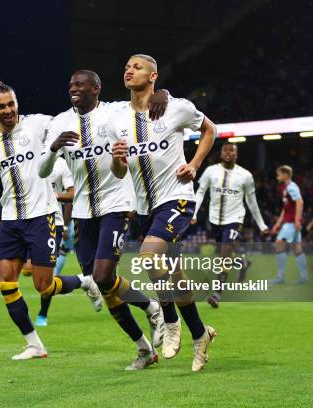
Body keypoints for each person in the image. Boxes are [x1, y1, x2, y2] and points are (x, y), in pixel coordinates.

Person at [0, 81, 100, 361]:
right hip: (10, 220)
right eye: (1, 106)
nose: (8, 110)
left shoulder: (39, 124)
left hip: (42, 216)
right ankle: (34, 344)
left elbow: (72, 121)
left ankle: (85, 282)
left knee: (43, 285)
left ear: (17, 102)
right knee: (6, 282)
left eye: (11, 103)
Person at [40, 70, 168, 370]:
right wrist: (54, 148)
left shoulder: (114, 112)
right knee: (105, 284)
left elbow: (147, 102)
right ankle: (144, 344)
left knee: (100, 277)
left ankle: (151, 312)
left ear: (96, 89)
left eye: (80, 84)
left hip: (117, 204)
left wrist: (163, 95)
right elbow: (43, 172)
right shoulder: (60, 122)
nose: (74, 88)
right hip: (83, 212)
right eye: (71, 84)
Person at [109, 54, 217, 372]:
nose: (129, 70)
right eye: (126, 66)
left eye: (137, 66)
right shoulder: (118, 118)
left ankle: (169, 321)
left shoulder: (176, 107)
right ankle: (200, 334)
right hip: (146, 207)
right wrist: (117, 159)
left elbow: (210, 129)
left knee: (148, 256)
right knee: (176, 276)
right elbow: (118, 173)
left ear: (153, 75)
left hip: (177, 198)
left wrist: (194, 165)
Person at [191, 142, 269, 307]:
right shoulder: (211, 171)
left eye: (231, 150)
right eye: (225, 150)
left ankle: (216, 293)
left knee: (225, 254)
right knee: (223, 254)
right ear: (221, 153)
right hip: (214, 220)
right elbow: (200, 192)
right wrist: (194, 212)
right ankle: (243, 263)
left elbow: (251, 201)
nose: (228, 153)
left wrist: (262, 225)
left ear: (236, 154)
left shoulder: (245, 175)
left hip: (234, 219)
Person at [21, 156, 78, 327]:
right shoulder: (28, 159)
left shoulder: (61, 164)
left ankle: (42, 314)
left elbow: (70, 198)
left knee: (48, 280)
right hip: (29, 222)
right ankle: (83, 281)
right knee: (28, 270)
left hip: (55, 223)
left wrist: (67, 226)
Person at [270, 165, 309, 284]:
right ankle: (304, 277)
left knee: (278, 245)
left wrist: (297, 220)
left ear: (286, 174)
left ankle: (280, 277)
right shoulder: (286, 188)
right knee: (297, 248)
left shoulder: (291, 187)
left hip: (291, 223)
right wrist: (277, 223)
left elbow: (300, 202)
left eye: (279, 174)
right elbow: (286, 208)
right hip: (289, 222)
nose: (278, 176)